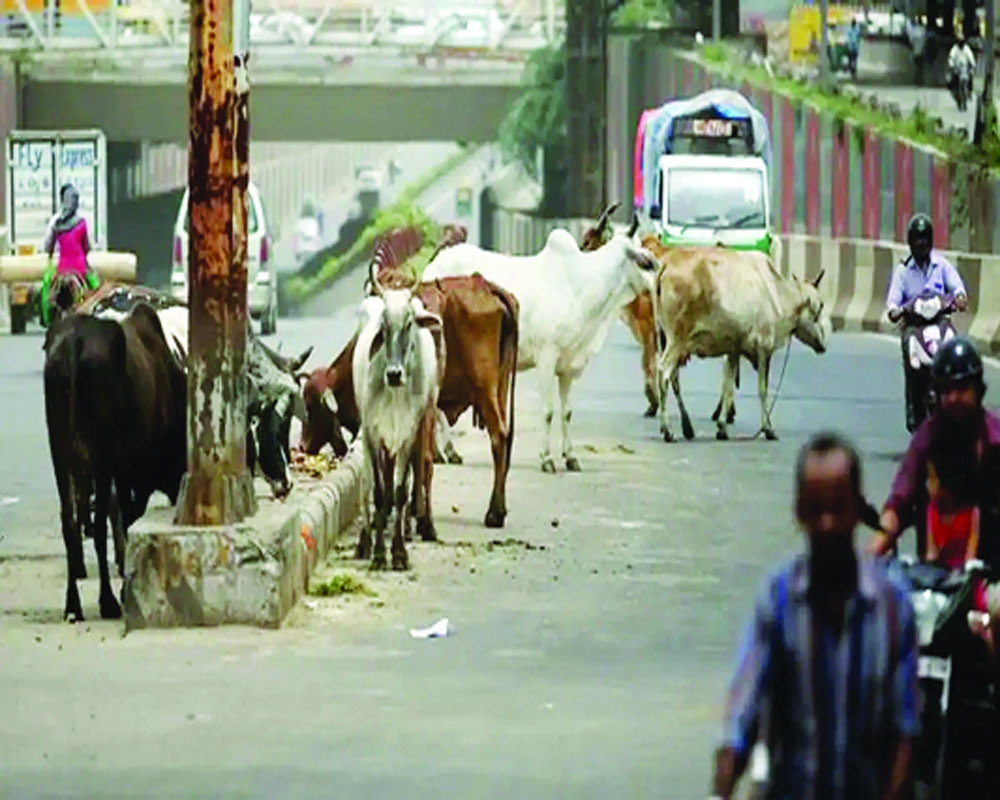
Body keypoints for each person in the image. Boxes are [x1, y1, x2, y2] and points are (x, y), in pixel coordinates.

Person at [712, 433, 918, 800]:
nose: (827, 523)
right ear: (798, 512)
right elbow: (742, 716)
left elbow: (903, 731)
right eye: (815, 509)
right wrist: (721, 790)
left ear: (858, 510)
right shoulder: (778, 599)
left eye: (838, 508)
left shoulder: (892, 606)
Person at [870, 336, 1000, 561]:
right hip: (932, 578)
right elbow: (899, 503)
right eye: (946, 391)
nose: (953, 398)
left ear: (978, 391)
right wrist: (865, 560)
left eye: (962, 389)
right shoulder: (927, 438)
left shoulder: (994, 442)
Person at [885, 213, 968, 431]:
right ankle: (914, 412)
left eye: (924, 238)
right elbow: (892, 303)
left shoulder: (942, 266)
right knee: (912, 363)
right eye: (916, 239)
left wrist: (959, 298)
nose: (920, 243)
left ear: (930, 240)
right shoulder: (903, 271)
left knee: (957, 354)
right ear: (910, 242)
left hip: (940, 323)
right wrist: (897, 310)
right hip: (914, 327)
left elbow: (958, 288)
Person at [41, 183, 98, 325]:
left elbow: (48, 247)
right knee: (95, 287)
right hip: (80, 267)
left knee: (47, 286)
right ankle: (96, 310)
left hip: (62, 268)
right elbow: (86, 247)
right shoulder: (82, 223)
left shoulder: (56, 224)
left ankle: (47, 317)